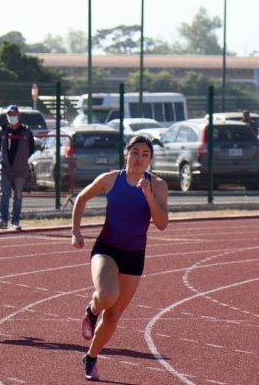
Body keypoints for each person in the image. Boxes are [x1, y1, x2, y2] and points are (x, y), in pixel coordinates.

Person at [71, 135, 169, 381]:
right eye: (135, 152)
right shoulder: (111, 179)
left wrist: (148, 195)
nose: (139, 158)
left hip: (134, 256)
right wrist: (76, 231)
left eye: (145, 154)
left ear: (150, 160)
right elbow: (81, 198)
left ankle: (91, 357)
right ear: (126, 153)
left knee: (114, 314)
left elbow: (162, 224)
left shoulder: (157, 185)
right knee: (107, 296)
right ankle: (92, 309)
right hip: (107, 248)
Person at [0, 104, 35, 230]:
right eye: (9, 115)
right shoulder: (3, 131)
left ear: (18, 115)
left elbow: (31, 148)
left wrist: (22, 160)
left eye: (14, 114)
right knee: (4, 194)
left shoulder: (26, 131)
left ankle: (15, 221)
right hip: (5, 169)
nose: (12, 117)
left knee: (17, 196)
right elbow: (1, 146)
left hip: (20, 170)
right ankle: (3, 220)